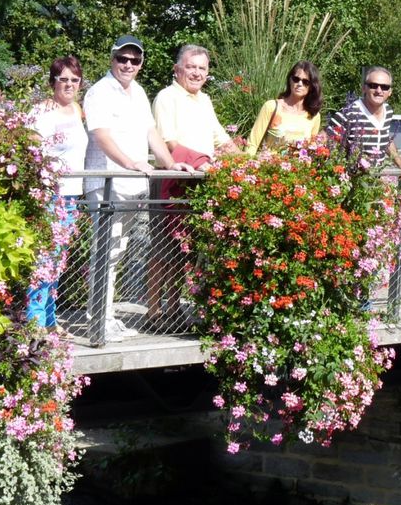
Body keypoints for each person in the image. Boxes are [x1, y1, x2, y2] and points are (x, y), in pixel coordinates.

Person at [84, 35, 193, 342]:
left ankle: (106, 316)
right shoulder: (99, 92)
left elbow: (150, 133)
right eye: (122, 59)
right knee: (105, 252)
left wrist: (170, 163)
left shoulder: (139, 93)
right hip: (106, 185)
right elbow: (101, 136)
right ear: (112, 59)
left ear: (141, 64)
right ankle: (98, 322)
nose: (128, 65)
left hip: (132, 187)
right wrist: (131, 163)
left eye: (134, 60)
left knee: (117, 253)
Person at [149, 44, 237, 328]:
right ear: (178, 69)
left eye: (202, 68)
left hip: (200, 181)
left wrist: (248, 162)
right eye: (191, 67)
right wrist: (201, 163)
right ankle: (153, 312)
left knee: (183, 247)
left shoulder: (205, 100)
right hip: (172, 178)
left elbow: (221, 138)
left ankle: (173, 308)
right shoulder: (167, 97)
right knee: (162, 246)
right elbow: (170, 142)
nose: (197, 73)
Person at [27, 55, 88, 331]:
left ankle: (50, 320)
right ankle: (35, 321)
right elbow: (32, 152)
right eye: (63, 79)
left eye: (74, 80)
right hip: (50, 195)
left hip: (72, 196)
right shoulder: (41, 112)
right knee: (44, 258)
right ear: (53, 81)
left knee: (59, 259)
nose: (69, 84)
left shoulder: (77, 110)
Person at [326, 66, 401, 176]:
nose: (379, 90)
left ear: (390, 92)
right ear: (364, 88)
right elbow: (323, 138)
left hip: (375, 180)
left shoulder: (388, 111)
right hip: (351, 182)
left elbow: (385, 139)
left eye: (384, 87)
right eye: (373, 85)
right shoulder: (350, 112)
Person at [245, 61, 323, 155]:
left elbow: (310, 150)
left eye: (305, 82)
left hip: (298, 169)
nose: (299, 84)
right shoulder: (271, 107)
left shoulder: (313, 116)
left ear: (311, 86)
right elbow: (252, 144)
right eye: (296, 79)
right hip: (267, 166)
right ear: (290, 80)